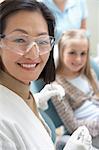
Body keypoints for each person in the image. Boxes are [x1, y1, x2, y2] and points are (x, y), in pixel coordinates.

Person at [0, 0, 93, 150]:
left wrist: (34, 101)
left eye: (42, 41)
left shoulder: (23, 92)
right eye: (20, 40)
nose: (33, 53)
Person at [49, 29, 99, 149]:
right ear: (61, 52)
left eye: (83, 54)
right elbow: (72, 126)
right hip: (90, 133)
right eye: (72, 53)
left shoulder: (89, 74)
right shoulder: (57, 86)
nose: (78, 59)